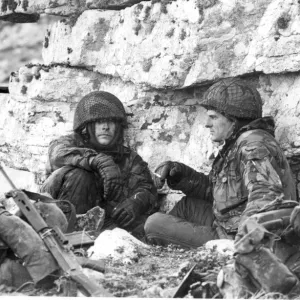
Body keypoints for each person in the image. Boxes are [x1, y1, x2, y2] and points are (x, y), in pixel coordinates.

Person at [144, 78, 300, 295]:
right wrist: (181, 174)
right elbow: (220, 192)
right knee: (188, 205)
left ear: (233, 120)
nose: (207, 124)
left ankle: (195, 253)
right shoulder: (238, 143)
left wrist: (244, 246)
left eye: (213, 118)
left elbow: (265, 196)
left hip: (239, 238)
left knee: (154, 223)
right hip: (227, 222)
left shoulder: (252, 145)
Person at [41, 91, 158, 235]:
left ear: (118, 127)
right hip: (56, 216)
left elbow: (147, 188)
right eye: (99, 121)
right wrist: (96, 161)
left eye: (111, 122)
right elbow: (56, 154)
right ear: (89, 125)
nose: (105, 127)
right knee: (81, 175)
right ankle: (69, 237)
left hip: (101, 222)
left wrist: (136, 202)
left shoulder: (129, 158)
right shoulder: (73, 143)